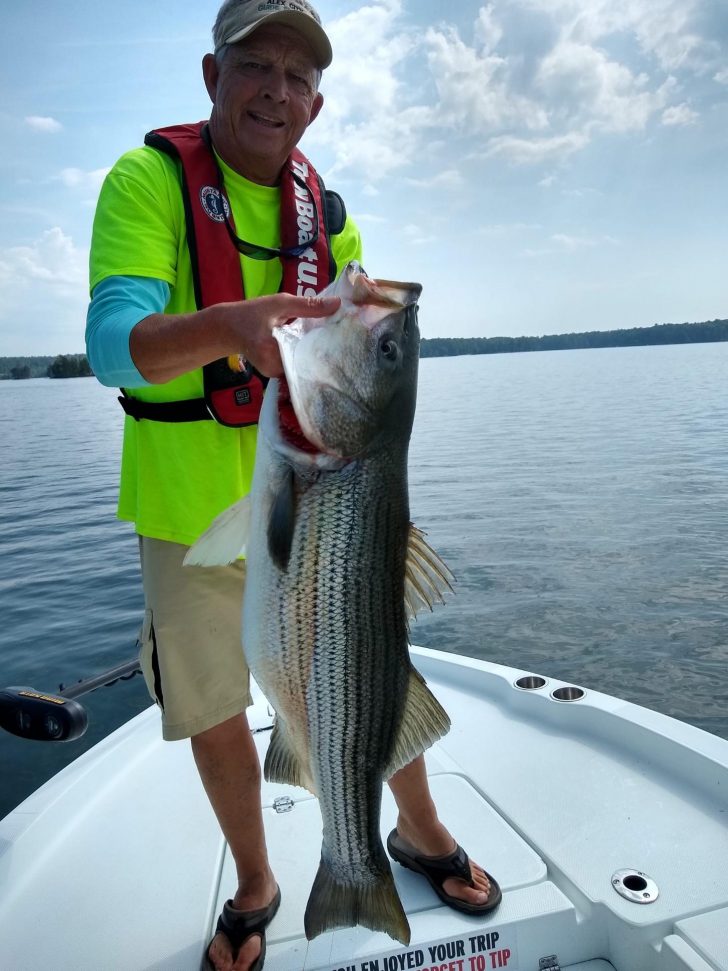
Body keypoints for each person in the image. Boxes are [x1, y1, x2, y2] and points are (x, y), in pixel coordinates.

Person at [86, 2, 501, 969]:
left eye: (299, 75)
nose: (277, 88)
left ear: (316, 104)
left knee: (370, 662)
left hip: (328, 501)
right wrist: (234, 326)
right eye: (255, 65)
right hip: (190, 512)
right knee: (214, 705)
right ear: (212, 74)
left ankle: (414, 832)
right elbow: (113, 347)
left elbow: (361, 363)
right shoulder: (148, 183)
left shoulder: (330, 218)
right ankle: (260, 881)